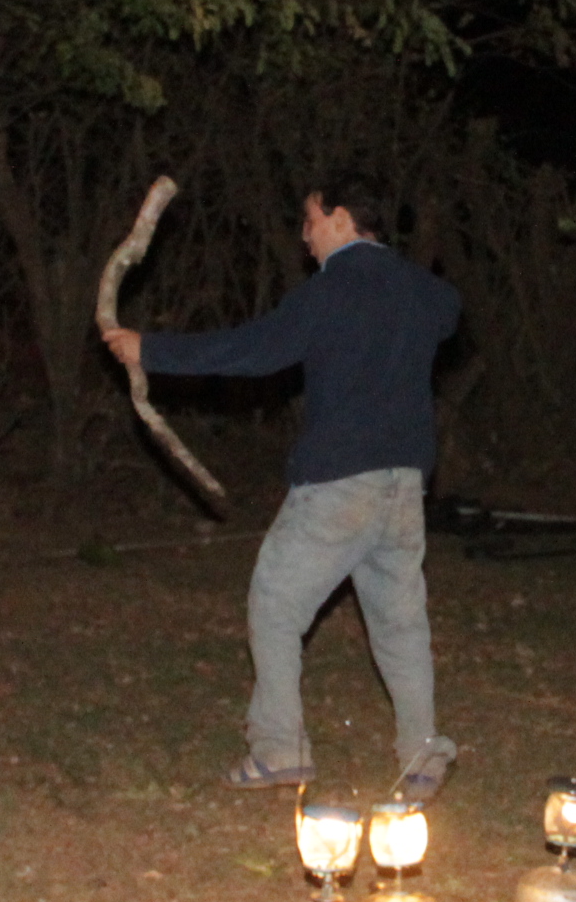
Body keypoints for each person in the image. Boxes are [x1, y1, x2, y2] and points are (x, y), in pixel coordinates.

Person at [102, 172, 465, 797]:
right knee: (400, 621)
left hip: (338, 484)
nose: (305, 236)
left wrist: (151, 350)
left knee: (275, 602)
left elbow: (255, 349)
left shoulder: (331, 291)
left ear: (344, 219)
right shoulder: (420, 290)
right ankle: (423, 754)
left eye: (312, 220)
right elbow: (448, 310)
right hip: (404, 484)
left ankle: (279, 749)